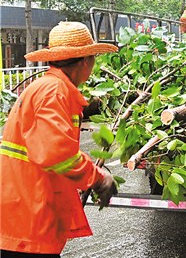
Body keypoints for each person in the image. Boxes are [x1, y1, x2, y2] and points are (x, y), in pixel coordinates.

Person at [1, 22, 119, 257]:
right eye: (93, 59)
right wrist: (97, 178)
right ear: (85, 61)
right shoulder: (55, 92)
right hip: (30, 214)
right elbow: (56, 153)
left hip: (23, 206)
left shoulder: (45, 87)